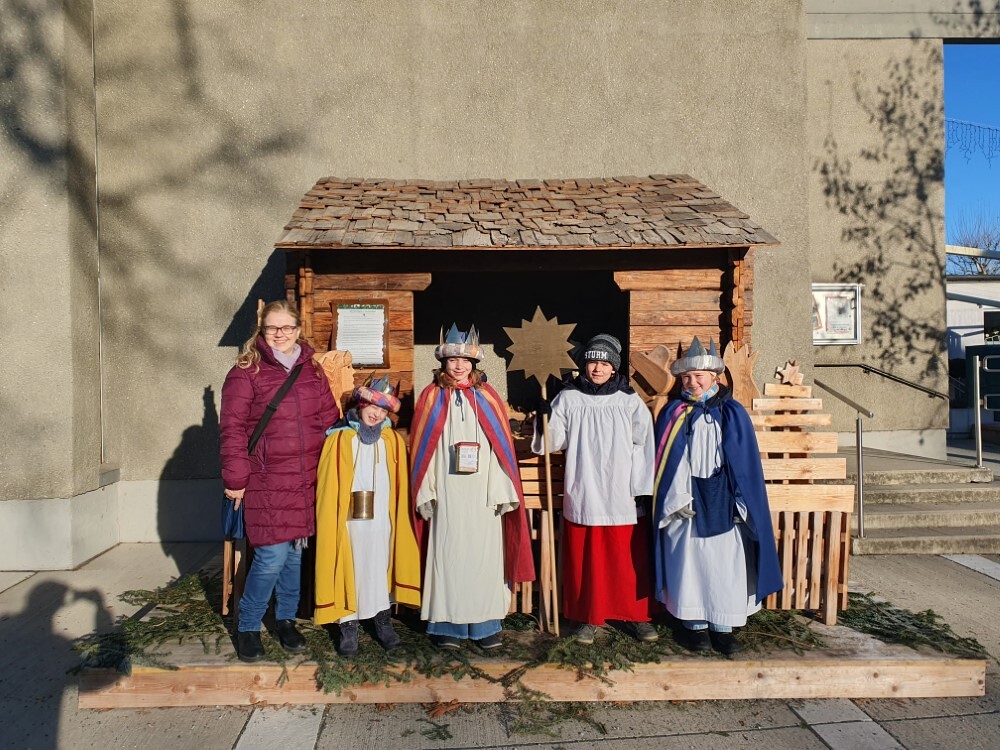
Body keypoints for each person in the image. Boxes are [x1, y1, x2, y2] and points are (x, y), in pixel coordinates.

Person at [220, 300, 340, 663]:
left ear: (298, 329)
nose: (280, 334)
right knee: (271, 556)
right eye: (273, 327)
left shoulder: (312, 371)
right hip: (266, 478)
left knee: (294, 555)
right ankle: (248, 626)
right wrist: (236, 477)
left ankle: (285, 620)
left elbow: (329, 419)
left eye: (287, 327)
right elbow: (232, 429)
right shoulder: (246, 372)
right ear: (262, 329)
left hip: (307, 478)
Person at [651, 337, 783, 655]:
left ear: (715, 377)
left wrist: (741, 503)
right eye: (686, 377)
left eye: (699, 376)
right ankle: (694, 627)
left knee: (726, 564)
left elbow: (745, 465)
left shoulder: (733, 413)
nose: (692, 382)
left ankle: (723, 628)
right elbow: (666, 463)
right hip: (686, 500)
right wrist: (676, 499)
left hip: (726, 500)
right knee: (689, 562)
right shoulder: (673, 413)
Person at [409, 324, 535, 650]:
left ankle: (485, 623)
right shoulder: (431, 397)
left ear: (474, 363)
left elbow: (500, 449)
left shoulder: (488, 398)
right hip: (447, 490)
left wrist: (501, 490)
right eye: (453, 360)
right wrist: (427, 490)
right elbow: (424, 450)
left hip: (483, 493)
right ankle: (447, 624)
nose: (459, 366)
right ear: (444, 362)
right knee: (448, 554)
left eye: (465, 360)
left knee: (484, 556)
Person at [532, 334, 657, 644]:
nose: (597, 368)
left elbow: (644, 444)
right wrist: (544, 419)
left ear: (614, 368)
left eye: (604, 363)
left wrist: (640, 486)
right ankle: (589, 616)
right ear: (584, 365)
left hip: (621, 492)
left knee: (626, 560)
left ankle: (636, 615)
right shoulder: (568, 398)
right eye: (592, 362)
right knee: (588, 561)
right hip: (585, 488)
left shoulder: (628, 401)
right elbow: (554, 441)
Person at [314, 376, 421, 656]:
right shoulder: (339, 438)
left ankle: (382, 619)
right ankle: (348, 623)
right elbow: (327, 486)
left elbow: (400, 484)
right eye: (373, 407)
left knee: (378, 565)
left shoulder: (392, 440)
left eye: (383, 411)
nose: (377, 414)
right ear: (361, 405)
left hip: (382, 520)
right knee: (349, 566)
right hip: (348, 522)